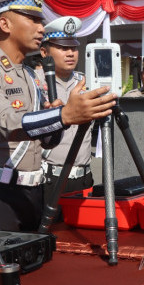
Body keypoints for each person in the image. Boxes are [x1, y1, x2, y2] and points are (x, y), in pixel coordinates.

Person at [0, 0, 116, 232]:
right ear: (5, 24)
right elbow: (6, 125)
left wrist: (55, 119)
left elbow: (46, 142)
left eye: (41, 20)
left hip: (34, 190)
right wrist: (63, 115)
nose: (41, 27)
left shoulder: (28, 74)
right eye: (32, 19)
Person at [39, 16, 94, 195]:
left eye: (73, 48)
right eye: (63, 48)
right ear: (44, 53)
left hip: (84, 178)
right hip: (49, 179)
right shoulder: (34, 83)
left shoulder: (86, 83)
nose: (70, 53)